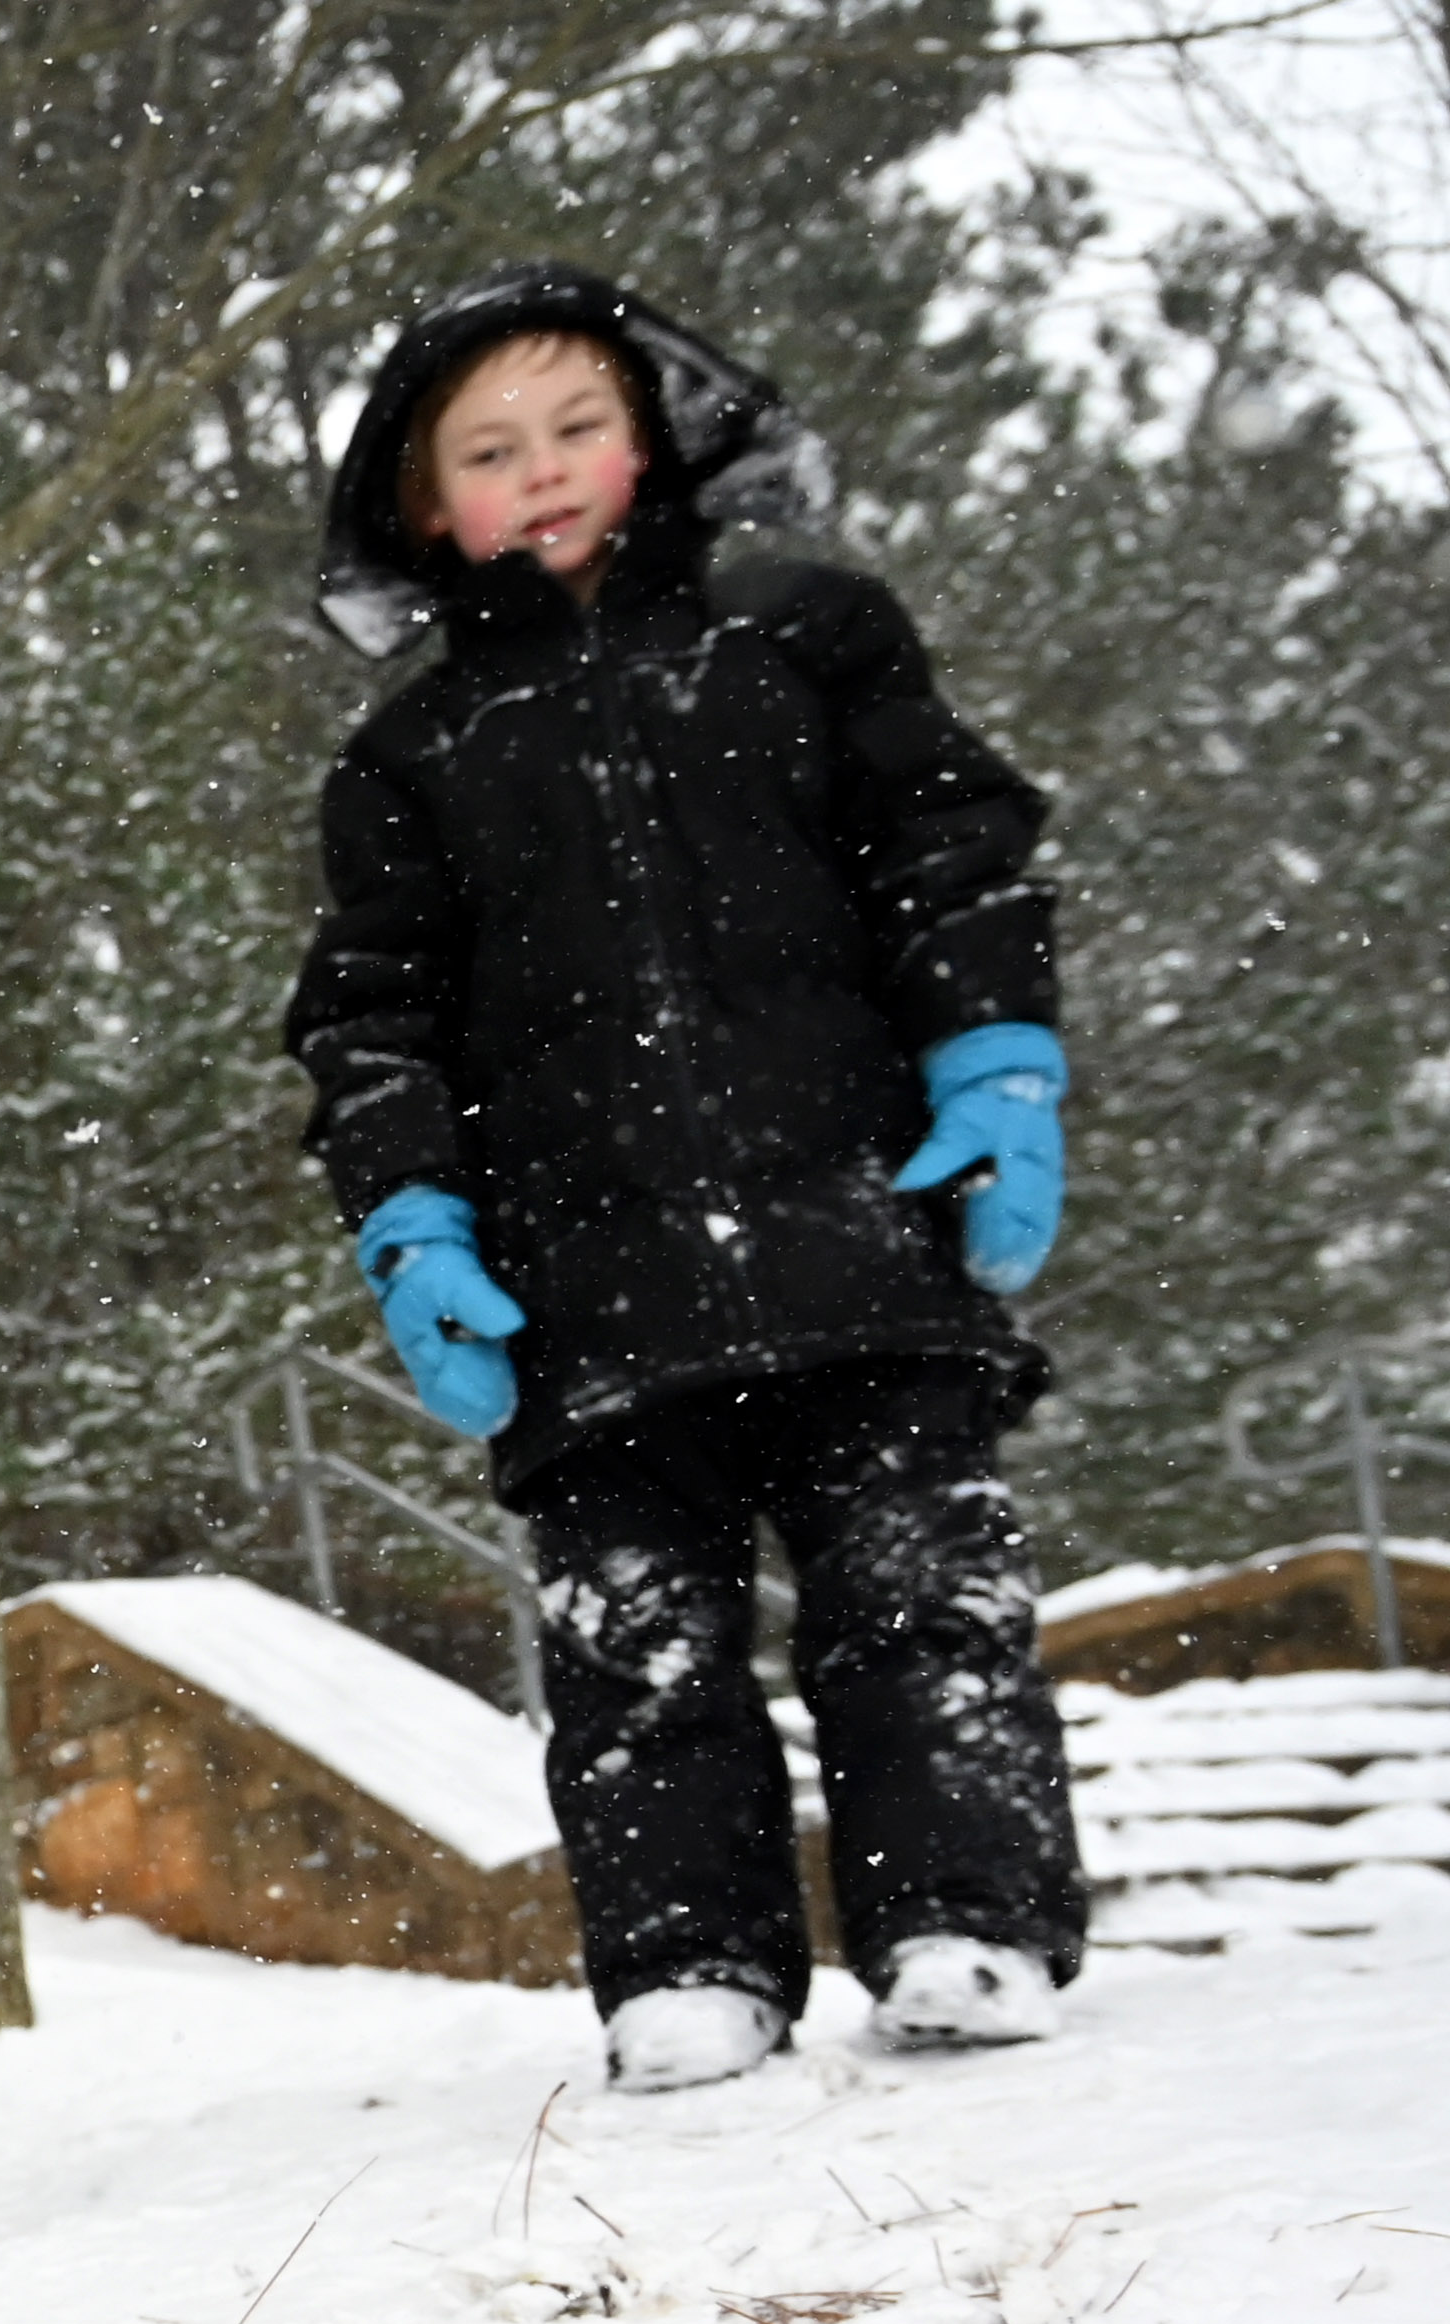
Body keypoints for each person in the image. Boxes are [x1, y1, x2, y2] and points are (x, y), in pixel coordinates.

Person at [285, 265, 1084, 2093]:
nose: (542, 470)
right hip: (593, 1301)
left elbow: (953, 855)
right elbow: (372, 1029)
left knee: (919, 1604)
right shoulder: (410, 757)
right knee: (640, 1654)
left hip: (860, 1234)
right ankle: (693, 1967)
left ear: (653, 435)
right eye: (489, 451)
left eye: (579, 426)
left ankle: (963, 1916)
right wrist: (416, 1226)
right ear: (426, 510)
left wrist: (994, 1062)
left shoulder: (806, 630)